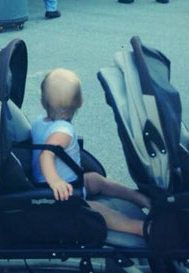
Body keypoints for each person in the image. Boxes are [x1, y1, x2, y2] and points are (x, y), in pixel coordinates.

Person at [31, 67, 149, 236]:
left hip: (67, 183)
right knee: (97, 210)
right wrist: (55, 181)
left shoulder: (38, 122)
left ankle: (140, 198)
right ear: (80, 101)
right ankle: (139, 228)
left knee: (96, 180)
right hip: (62, 193)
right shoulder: (62, 132)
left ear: (43, 102)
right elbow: (46, 154)